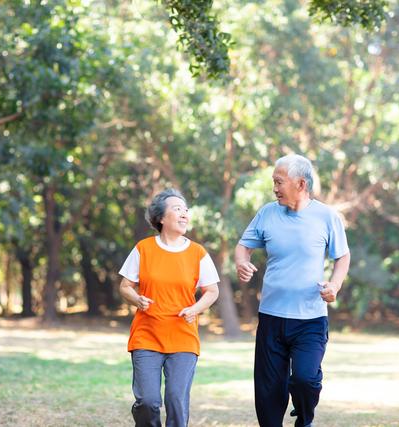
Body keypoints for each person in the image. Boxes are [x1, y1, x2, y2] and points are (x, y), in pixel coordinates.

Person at [234, 154, 350, 427]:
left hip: (310, 319)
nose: (274, 188)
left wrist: (334, 285)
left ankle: (305, 419)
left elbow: (342, 257)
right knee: (268, 392)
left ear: (300, 183)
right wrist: (242, 262)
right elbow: (244, 246)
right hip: (272, 318)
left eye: (278, 181)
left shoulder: (326, 216)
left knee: (305, 380)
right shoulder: (267, 213)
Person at [119, 188, 220, 427]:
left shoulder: (198, 253)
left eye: (186, 210)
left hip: (183, 337)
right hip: (147, 335)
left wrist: (195, 309)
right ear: (161, 218)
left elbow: (212, 291)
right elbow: (125, 286)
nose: (184, 214)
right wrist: (137, 299)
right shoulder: (143, 248)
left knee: (176, 399)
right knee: (147, 401)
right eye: (177, 209)